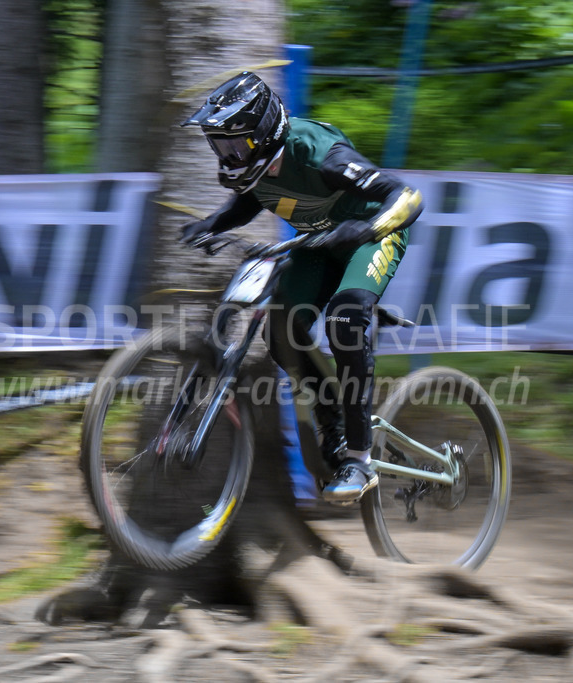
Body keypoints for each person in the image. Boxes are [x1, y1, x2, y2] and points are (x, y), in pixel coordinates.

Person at [180, 71, 423, 504]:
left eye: (234, 145)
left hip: (371, 236)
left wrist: (367, 227)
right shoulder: (261, 168)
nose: (228, 155)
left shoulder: (320, 154)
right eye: (221, 146)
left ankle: (360, 459)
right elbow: (255, 198)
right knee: (280, 334)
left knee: (344, 321)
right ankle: (332, 423)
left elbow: (407, 197)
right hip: (320, 243)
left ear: (263, 134)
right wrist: (212, 224)